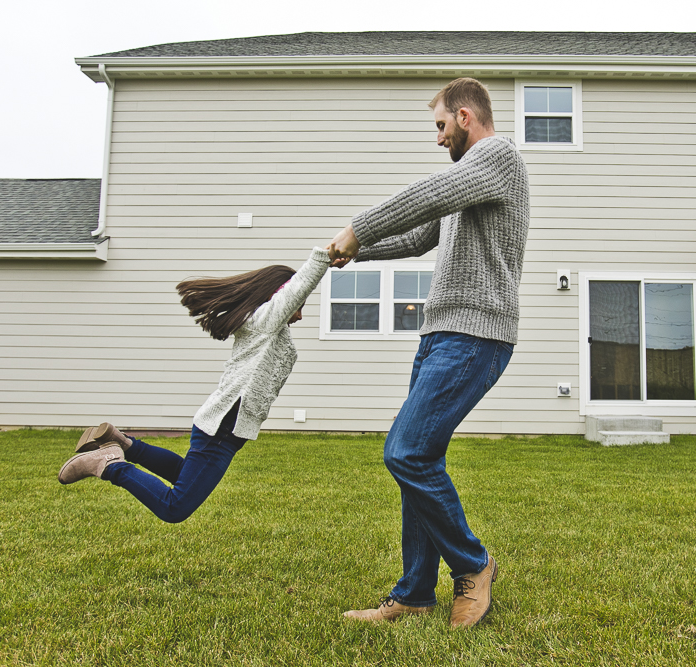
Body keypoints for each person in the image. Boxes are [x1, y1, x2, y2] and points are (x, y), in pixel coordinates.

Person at [331, 78, 530, 628]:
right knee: (420, 459)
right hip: (440, 335)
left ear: (466, 117)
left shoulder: (498, 158)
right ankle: (415, 593)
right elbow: (421, 236)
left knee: (406, 453)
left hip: (475, 335)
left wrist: (359, 226)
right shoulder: (471, 179)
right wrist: (352, 252)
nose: (438, 138)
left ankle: (474, 564)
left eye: (441, 126)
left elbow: (428, 195)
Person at [57, 247, 332, 524]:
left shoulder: (267, 326)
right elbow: (297, 287)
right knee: (174, 508)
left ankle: (123, 443)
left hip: (223, 427)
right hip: (223, 429)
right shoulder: (266, 320)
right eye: (300, 305)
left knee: (184, 474)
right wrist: (327, 257)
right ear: (281, 295)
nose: (299, 315)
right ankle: (108, 464)